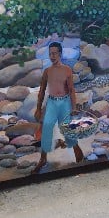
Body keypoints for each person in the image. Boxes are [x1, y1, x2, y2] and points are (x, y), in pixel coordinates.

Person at [33, 42, 83, 174]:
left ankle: (76, 148)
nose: (52, 56)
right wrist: (38, 109)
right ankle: (43, 159)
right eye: (50, 53)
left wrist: (73, 107)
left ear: (60, 54)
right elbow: (42, 91)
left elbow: (71, 90)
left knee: (66, 128)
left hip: (65, 102)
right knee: (46, 127)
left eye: (54, 53)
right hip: (52, 102)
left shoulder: (67, 70)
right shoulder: (47, 71)